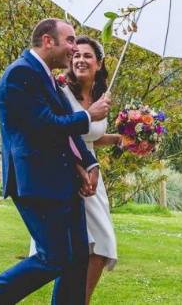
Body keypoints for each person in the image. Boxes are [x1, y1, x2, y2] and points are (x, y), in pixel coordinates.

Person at [0, 18, 112, 305]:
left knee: (78, 257)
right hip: (37, 181)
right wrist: (89, 115)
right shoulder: (20, 74)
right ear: (47, 41)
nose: (73, 47)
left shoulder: (46, 77)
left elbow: (65, 134)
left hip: (63, 180)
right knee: (53, 257)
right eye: (69, 40)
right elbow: (47, 126)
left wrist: (89, 163)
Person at [30, 36, 119, 305]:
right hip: (69, 170)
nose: (80, 59)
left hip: (94, 177)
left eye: (87, 55)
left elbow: (90, 137)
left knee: (100, 246)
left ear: (99, 63)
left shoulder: (102, 97)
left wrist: (119, 138)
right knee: (73, 246)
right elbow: (62, 132)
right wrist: (89, 115)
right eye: (76, 54)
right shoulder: (60, 90)